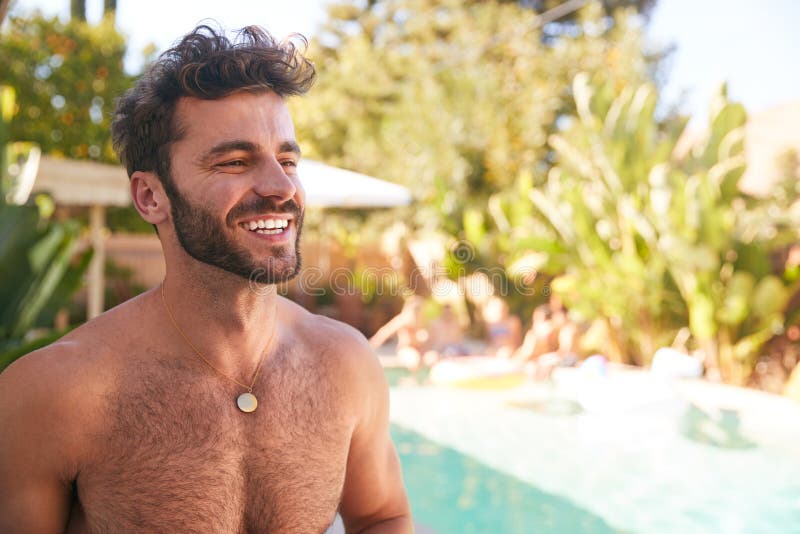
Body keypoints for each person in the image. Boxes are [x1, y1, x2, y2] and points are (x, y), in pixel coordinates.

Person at [0, 25, 411, 532]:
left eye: (288, 160)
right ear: (151, 197)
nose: (282, 188)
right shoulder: (55, 393)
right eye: (235, 162)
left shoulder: (346, 364)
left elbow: (381, 515)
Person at [369, 295, 431, 369]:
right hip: (406, 350)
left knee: (432, 357)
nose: (417, 313)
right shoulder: (403, 320)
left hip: (420, 350)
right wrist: (370, 346)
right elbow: (385, 332)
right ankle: (413, 379)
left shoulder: (422, 322)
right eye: (416, 310)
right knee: (414, 359)